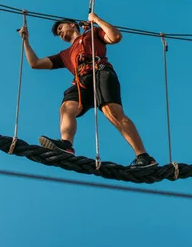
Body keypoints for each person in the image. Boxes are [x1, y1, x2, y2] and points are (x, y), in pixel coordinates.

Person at [19, 13, 157, 168]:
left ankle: (143, 156)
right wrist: (25, 40)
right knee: (66, 107)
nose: (60, 33)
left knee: (112, 112)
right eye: (58, 33)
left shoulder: (93, 34)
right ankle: (66, 144)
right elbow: (35, 63)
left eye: (60, 28)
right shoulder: (64, 54)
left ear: (72, 24)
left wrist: (96, 20)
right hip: (81, 82)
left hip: (100, 72)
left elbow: (116, 36)